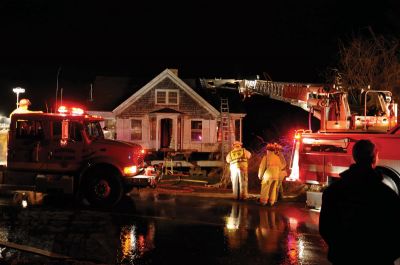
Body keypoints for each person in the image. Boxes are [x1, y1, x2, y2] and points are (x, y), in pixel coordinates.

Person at [319, 139, 400, 265]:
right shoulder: (387, 195)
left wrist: (341, 250)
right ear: (374, 159)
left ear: (354, 157)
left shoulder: (333, 192)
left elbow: (326, 228)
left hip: (343, 258)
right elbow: (396, 233)